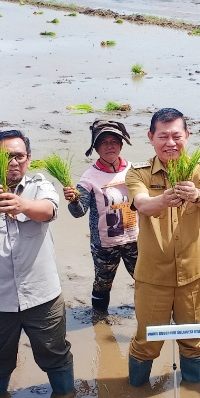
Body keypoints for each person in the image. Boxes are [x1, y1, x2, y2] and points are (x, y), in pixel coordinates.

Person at [0, 130, 74, 398]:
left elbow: (49, 209)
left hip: (42, 297)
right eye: (6, 157)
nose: (13, 162)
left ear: (28, 158)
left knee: (56, 354)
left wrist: (22, 205)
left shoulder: (40, 185)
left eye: (19, 156)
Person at [125, 108, 200, 386]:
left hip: (194, 274)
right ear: (151, 137)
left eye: (176, 136)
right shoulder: (137, 173)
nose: (170, 143)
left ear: (187, 135)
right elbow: (142, 204)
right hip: (153, 276)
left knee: (192, 338)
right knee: (147, 340)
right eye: (163, 136)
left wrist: (197, 194)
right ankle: (136, 391)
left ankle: (193, 392)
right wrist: (163, 200)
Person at [64, 120, 138, 313]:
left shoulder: (134, 171)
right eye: (103, 142)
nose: (109, 146)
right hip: (104, 244)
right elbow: (78, 212)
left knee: (144, 279)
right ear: (95, 147)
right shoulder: (88, 178)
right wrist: (73, 200)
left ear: (121, 145)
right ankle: (99, 319)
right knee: (103, 283)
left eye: (114, 141)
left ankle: (148, 313)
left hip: (135, 239)